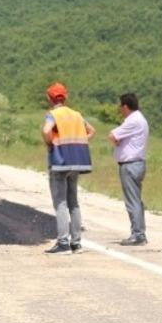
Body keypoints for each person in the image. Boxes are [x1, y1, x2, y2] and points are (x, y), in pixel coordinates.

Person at [41, 82, 95, 254]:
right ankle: (76, 243)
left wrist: (51, 143)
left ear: (50, 98)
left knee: (61, 203)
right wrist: (78, 144)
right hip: (77, 162)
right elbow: (91, 131)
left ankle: (63, 242)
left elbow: (46, 130)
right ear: (65, 97)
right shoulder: (76, 114)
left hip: (60, 162)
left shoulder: (53, 114)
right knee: (74, 202)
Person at [110, 92, 149, 246]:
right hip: (137, 163)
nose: (120, 109)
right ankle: (139, 232)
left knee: (132, 201)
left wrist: (117, 143)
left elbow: (113, 135)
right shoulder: (140, 119)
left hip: (131, 165)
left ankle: (138, 234)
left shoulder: (133, 120)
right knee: (136, 200)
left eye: (121, 106)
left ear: (125, 106)